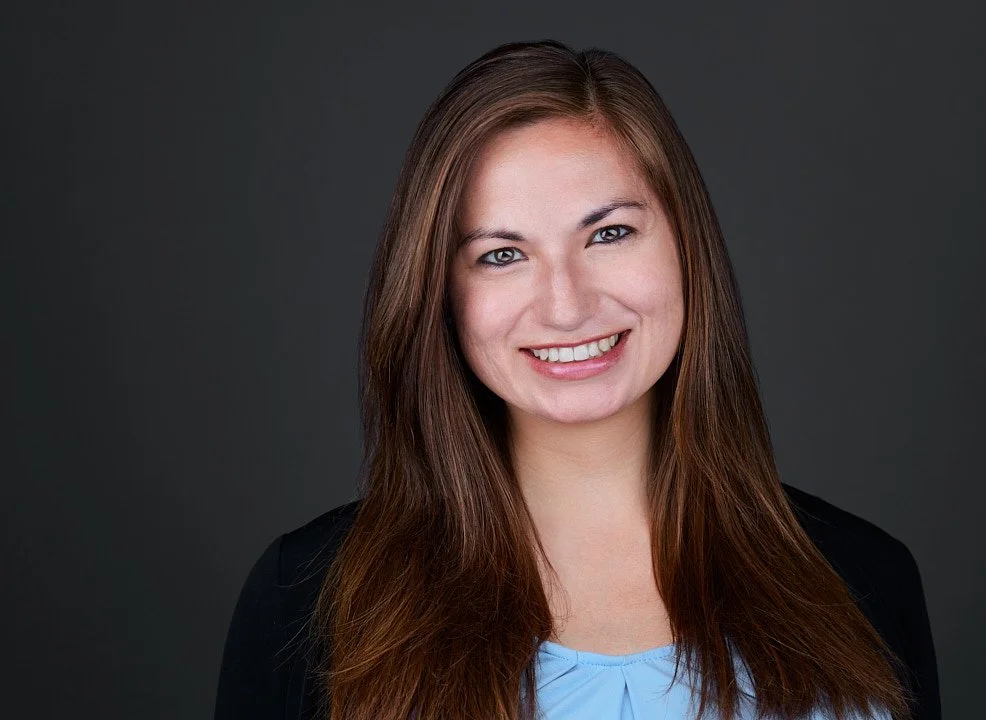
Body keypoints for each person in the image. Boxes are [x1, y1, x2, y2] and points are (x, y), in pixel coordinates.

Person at [214, 40, 940, 720]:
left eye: (609, 234)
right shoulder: (307, 600)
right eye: (501, 254)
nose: (567, 305)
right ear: (440, 293)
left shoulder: (863, 578)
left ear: (688, 247)